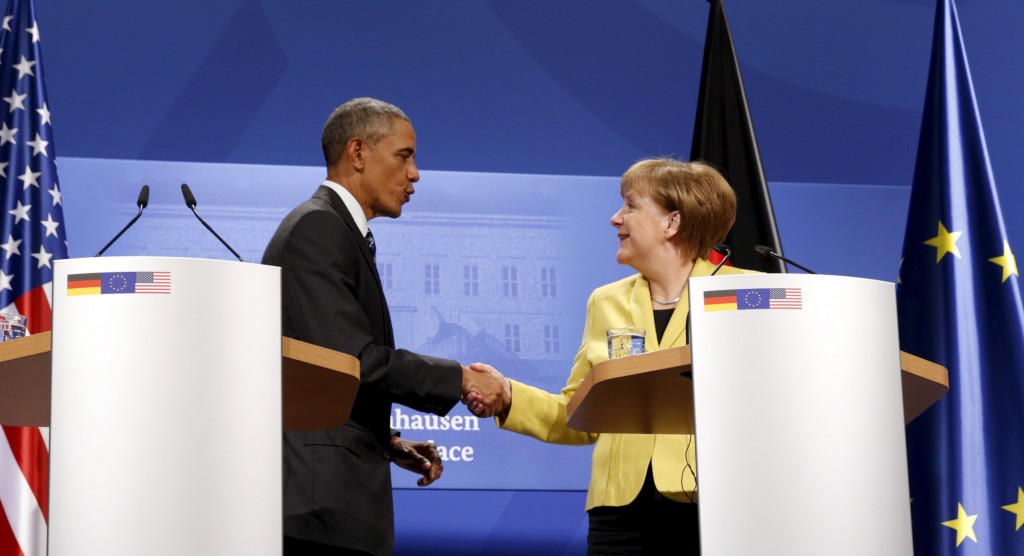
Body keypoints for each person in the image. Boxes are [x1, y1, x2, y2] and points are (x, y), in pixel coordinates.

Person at [466, 158, 758, 555]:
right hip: (619, 514)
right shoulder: (606, 301)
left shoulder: (748, 295)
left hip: (714, 508)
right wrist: (509, 396)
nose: (615, 218)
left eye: (631, 206)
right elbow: (580, 416)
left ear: (672, 223)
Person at [262, 97, 506, 555]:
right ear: (357, 153)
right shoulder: (319, 228)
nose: (415, 174)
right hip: (317, 509)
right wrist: (460, 378)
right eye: (405, 155)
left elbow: (326, 375)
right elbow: (352, 361)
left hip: (333, 500)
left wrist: (385, 441)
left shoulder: (337, 231)